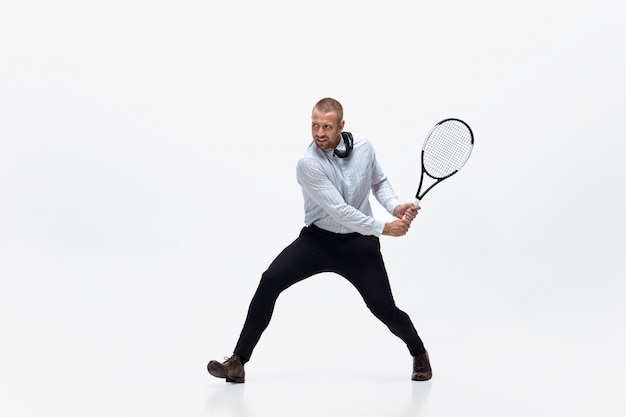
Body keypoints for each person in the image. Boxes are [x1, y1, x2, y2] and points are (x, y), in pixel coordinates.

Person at [207, 97, 431, 383]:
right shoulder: (308, 164)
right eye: (314, 125)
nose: (319, 133)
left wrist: (395, 207)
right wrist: (385, 228)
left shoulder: (364, 147)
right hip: (319, 242)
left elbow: (379, 182)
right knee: (270, 281)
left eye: (326, 126)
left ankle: (419, 352)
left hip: (359, 245)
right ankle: (237, 362)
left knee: (384, 309)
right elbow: (339, 210)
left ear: (341, 125)